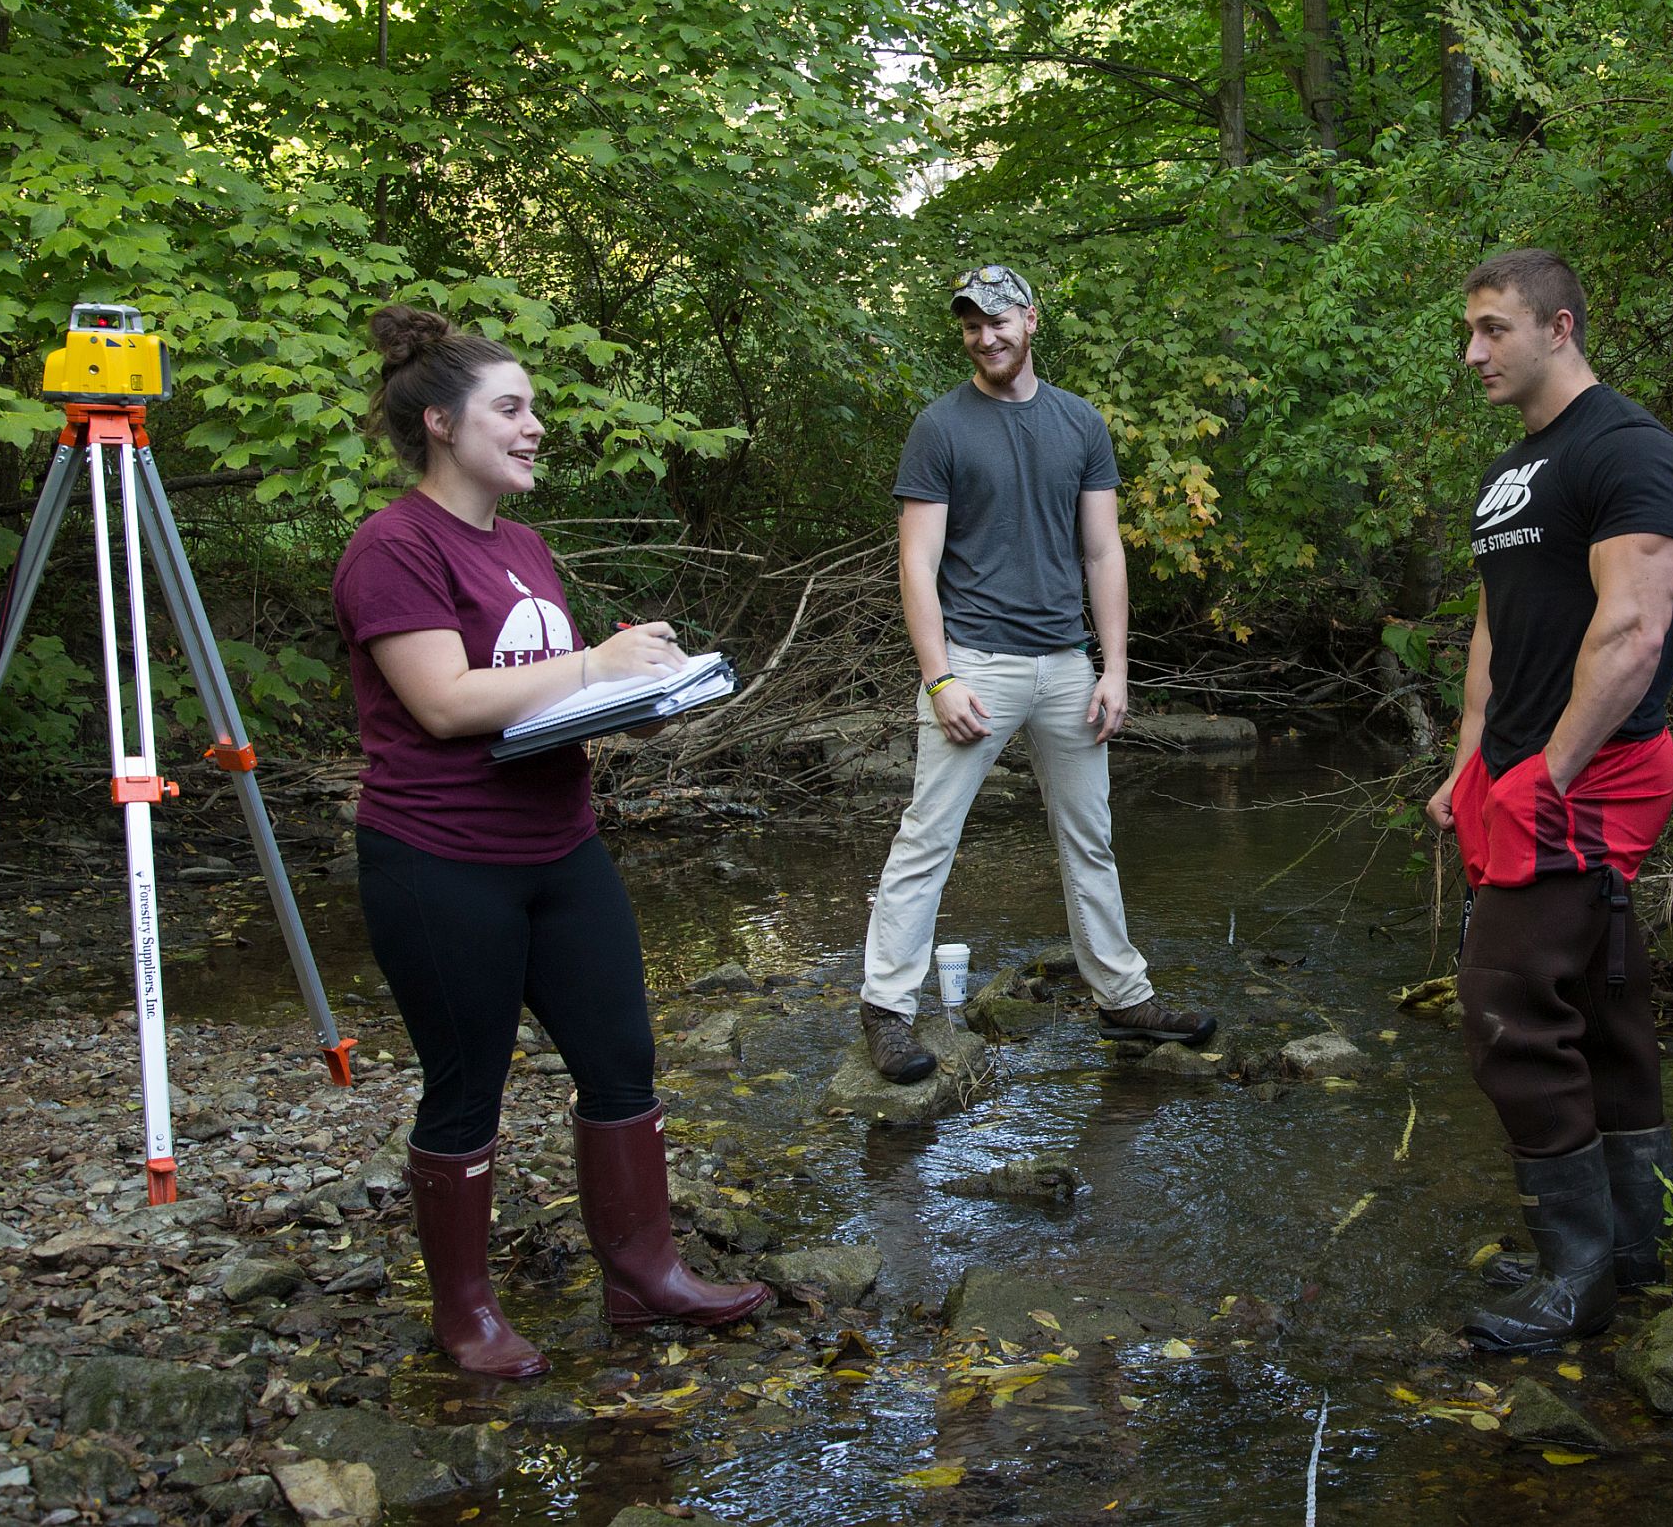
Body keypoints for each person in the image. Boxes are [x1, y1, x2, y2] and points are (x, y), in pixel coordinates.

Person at [332, 304, 770, 1380]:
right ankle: (466, 1315)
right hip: (439, 860)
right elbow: (442, 703)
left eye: (536, 411)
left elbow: (540, 700)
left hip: (560, 849)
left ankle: (642, 1275)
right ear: (440, 422)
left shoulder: (522, 545)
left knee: (621, 1059)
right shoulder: (392, 546)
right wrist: (596, 666)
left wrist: (644, 694)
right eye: (512, 410)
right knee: (465, 1084)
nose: (536, 428)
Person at [1426, 250, 1673, 1354]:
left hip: (1594, 770)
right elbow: (1500, 625)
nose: (1474, 353)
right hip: (1521, 769)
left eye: (1494, 330)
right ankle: (1633, 1251)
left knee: (1508, 1011)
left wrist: (1552, 772)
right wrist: (1469, 762)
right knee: (1596, 1003)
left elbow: (1633, 629)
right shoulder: (1513, 473)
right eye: (1471, 332)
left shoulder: (1632, 451)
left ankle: (1575, 1278)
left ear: (1561, 327)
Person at [857, 264, 1214, 1082]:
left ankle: (1122, 999)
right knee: (927, 839)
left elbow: (1102, 552)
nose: (986, 336)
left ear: (1030, 320)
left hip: (1065, 665)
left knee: (1090, 838)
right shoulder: (940, 428)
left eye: (997, 320)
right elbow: (918, 565)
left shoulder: (1080, 424)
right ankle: (886, 1008)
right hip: (975, 664)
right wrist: (940, 679)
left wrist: (1114, 668)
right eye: (971, 325)